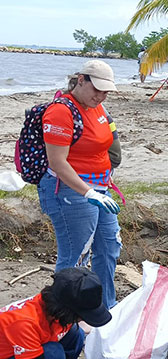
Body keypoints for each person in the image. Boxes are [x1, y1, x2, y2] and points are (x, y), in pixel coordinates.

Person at [38, 60, 121, 310]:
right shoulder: (61, 111)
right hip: (69, 191)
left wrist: (108, 173)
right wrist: (88, 192)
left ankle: (103, 307)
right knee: (75, 257)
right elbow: (58, 162)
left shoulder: (99, 108)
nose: (101, 95)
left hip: (100, 188)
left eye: (106, 91)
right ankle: (62, 315)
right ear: (81, 80)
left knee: (109, 247)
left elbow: (108, 142)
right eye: (97, 89)